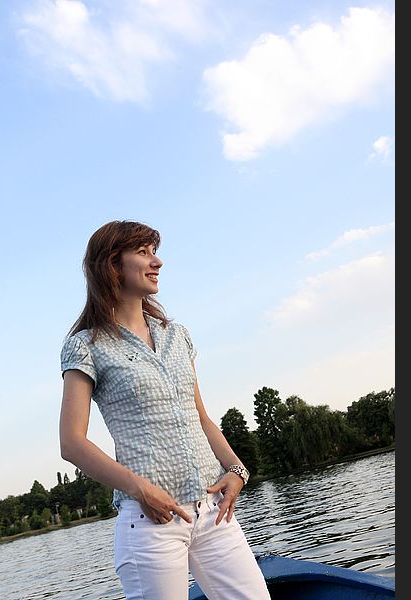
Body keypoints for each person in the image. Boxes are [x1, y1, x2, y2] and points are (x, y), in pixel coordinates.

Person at [59, 220, 271, 600]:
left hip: (214, 513)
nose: (156, 262)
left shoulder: (177, 335)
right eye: (143, 253)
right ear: (112, 264)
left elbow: (201, 418)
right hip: (152, 522)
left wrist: (238, 471)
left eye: (153, 252)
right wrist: (141, 489)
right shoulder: (85, 345)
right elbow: (72, 444)